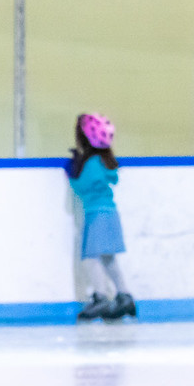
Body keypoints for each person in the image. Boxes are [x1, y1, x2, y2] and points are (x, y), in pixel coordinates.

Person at [68, 112, 136, 320]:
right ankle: (124, 296)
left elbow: (84, 187)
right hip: (109, 213)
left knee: (90, 258)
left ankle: (100, 296)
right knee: (107, 258)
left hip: (97, 214)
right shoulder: (102, 161)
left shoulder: (92, 162)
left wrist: (72, 174)